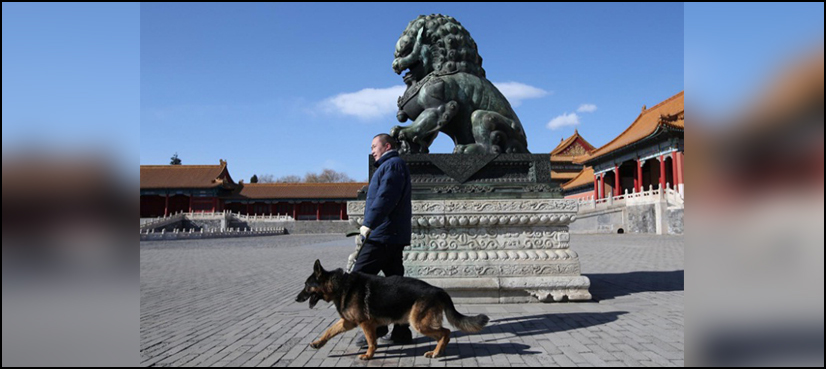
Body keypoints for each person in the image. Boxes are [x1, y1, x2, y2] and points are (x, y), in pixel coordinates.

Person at [352, 133, 413, 347]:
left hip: (383, 235)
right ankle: (402, 331)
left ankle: (377, 328)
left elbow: (386, 197)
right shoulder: (390, 166)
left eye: (374, 146)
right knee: (396, 285)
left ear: (387, 146)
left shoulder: (392, 166)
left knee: (357, 279)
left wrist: (369, 223)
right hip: (390, 234)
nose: (372, 150)